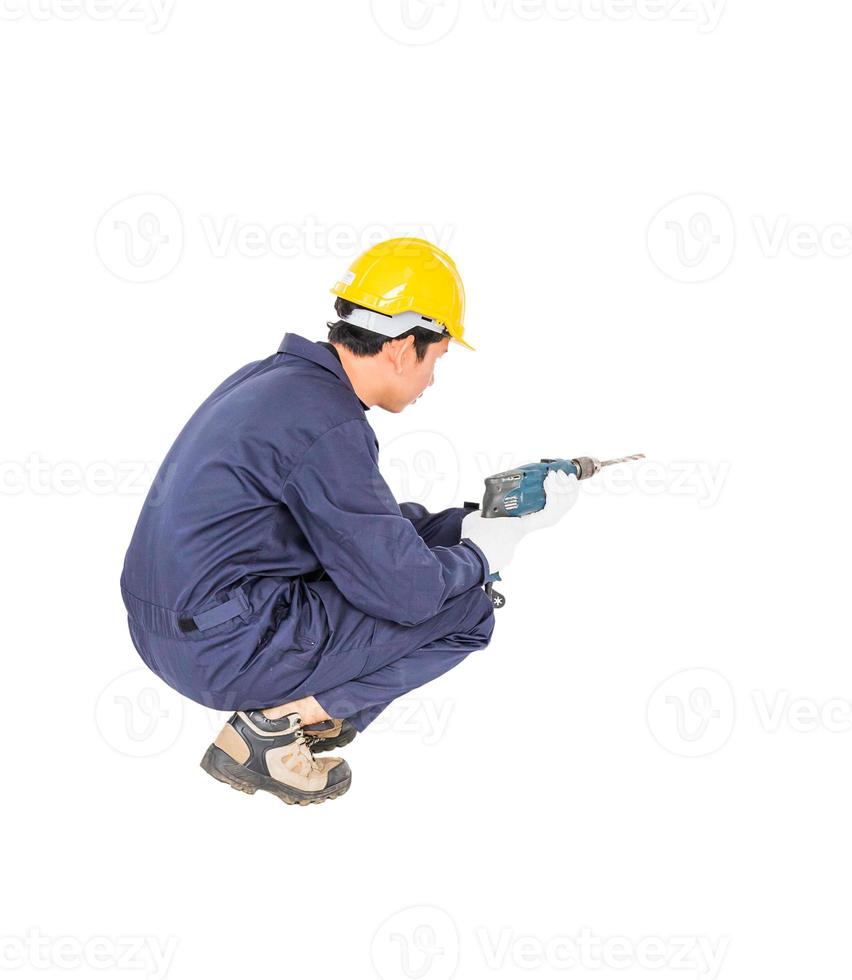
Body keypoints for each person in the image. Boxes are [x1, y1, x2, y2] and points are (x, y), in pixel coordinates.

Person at [120, 238, 576, 806]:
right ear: (406, 348)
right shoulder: (328, 424)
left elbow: (355, 530)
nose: (433, 378)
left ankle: (298, 711)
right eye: (437, 360)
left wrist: (469, 523)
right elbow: (407, 593)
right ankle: (280, 727)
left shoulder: (277, 383)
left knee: (426, 554)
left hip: (168, 627)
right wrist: (486, 555)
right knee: (467, 608)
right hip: (221, 649)